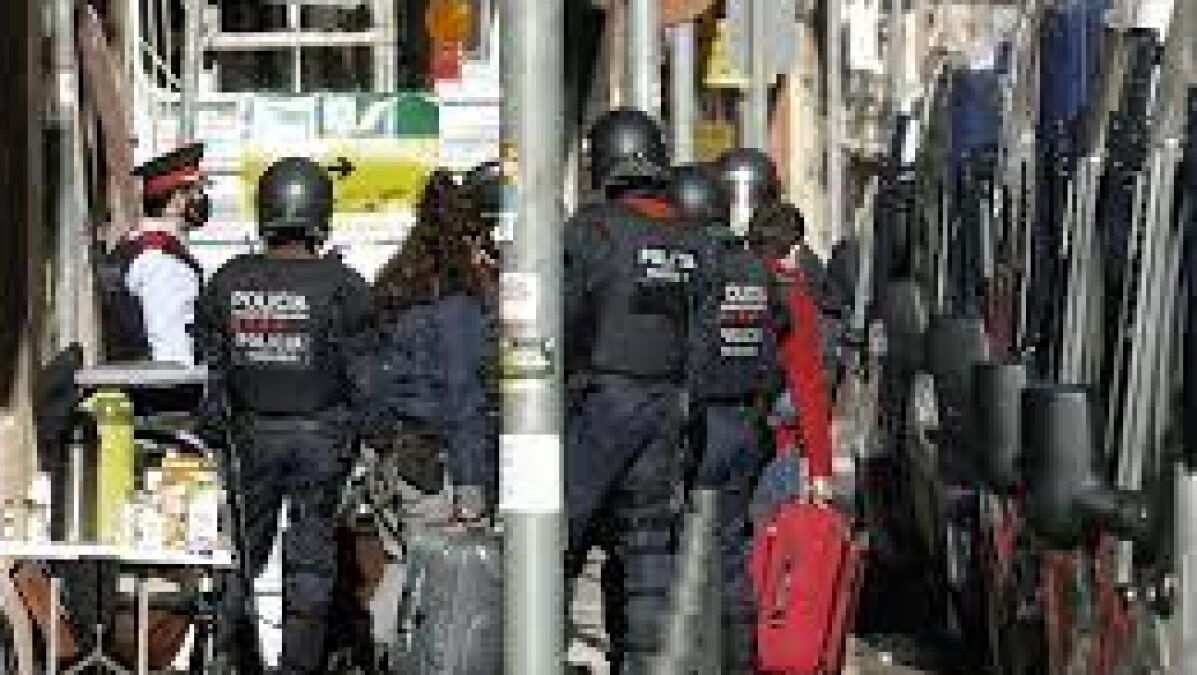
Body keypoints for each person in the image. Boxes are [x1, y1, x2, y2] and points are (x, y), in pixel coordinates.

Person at [196, 157, 372, 674]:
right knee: (311, 561)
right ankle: (299, 665)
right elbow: (363, 375)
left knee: (239, 553)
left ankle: (224, 655)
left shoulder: (228, 282)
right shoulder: (344, 285)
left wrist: (215, 429)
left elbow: (211, 368)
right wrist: (374, 435)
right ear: (321, 214)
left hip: (249, 435)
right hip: (321, 437)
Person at [564, 108, 693, 673]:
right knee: (647, 551)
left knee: (555, 540)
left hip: (601, 401)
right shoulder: (691, 238)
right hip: (666, 406)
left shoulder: (592, 231)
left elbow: (562, 317)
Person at [671, 160, 782, 673]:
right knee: (732, 553)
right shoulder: (755, 267)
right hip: (747, 422)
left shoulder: (696, 264)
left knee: (682, 553)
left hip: (702, 422)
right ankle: (741, 662)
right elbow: (778, 328)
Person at [366, 169, 498, 521]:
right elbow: (462, 397)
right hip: (444, 467)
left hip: (403, 458)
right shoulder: (460, 306)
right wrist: (471, 483)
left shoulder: (394, 287)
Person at [101, 143, 210, 364]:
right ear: (176, 200)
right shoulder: (164, 262)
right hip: (158, 382)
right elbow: (173, 353)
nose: (202, 199)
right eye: (197, 191)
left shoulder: (133, 245)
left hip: (131, 375)